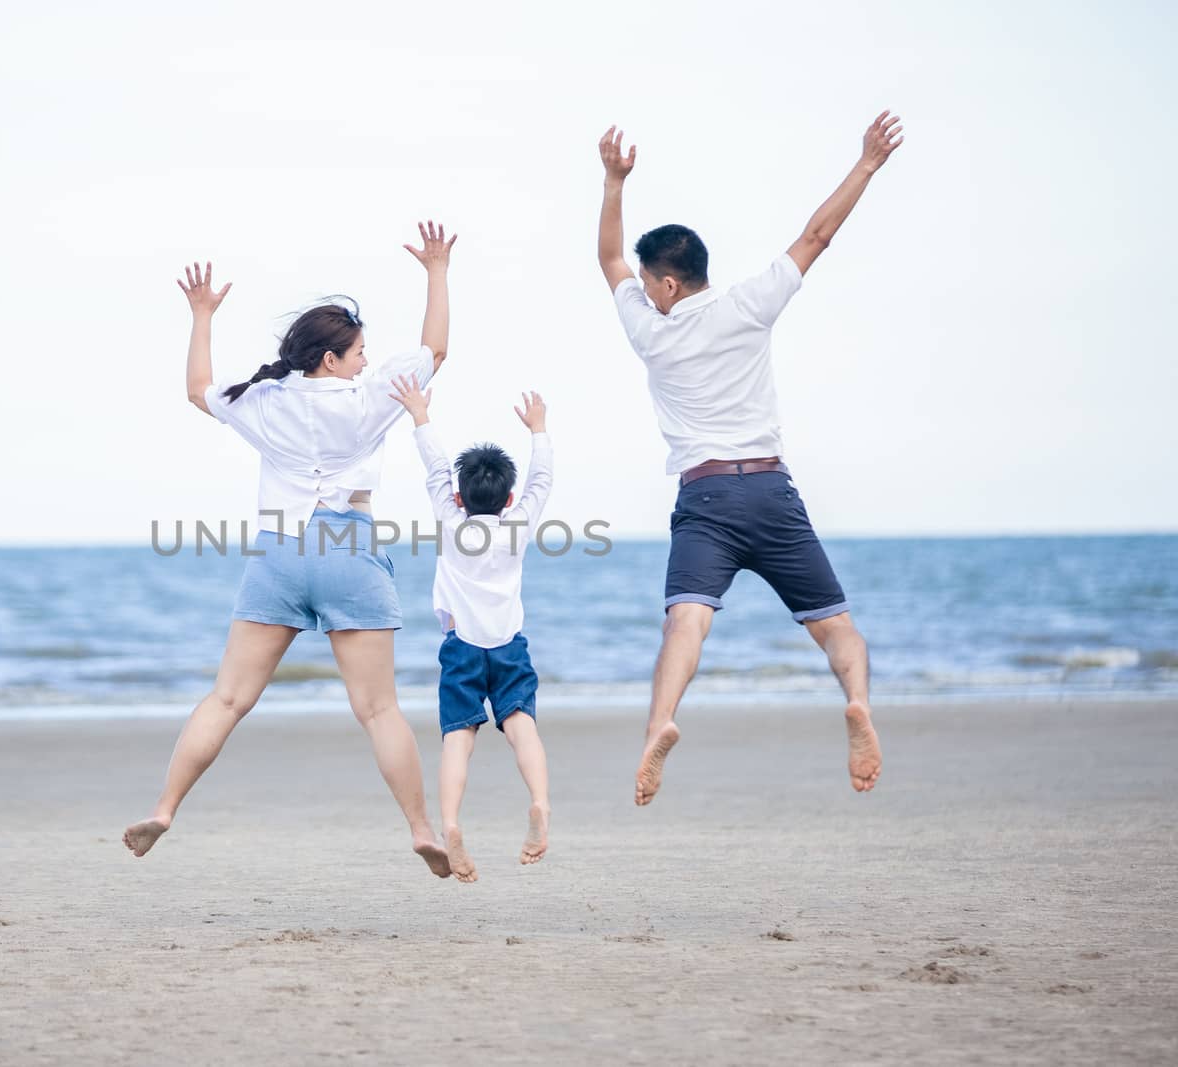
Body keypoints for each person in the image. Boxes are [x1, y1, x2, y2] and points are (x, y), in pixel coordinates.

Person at [122, 222, 460, 878]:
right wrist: (438, 269)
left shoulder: (265, 397)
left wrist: (199, 315)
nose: (366, 360)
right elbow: (436, 349)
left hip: (278, 551)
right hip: (348, 545)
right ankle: (421, 828)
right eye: (359, 350)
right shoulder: (368, 396)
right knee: (379, 708)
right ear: (331, 359)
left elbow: (198, 389)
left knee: (226, 699)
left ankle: (164, 807)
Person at [595, 112, 903, 806]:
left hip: (705, 501)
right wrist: (866, 165)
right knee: (837, 628)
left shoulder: (652, 332)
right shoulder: (749, 305)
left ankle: (660, 723)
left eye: (649, 283)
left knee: (686, 620)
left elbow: (609, 258)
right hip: (769, 489)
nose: (642, 290)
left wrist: (613, 183)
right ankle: (857, 703)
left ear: (668, 286)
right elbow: (816, 235)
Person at [388, 373, 554, 883]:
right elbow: (541, 482)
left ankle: (453, 824)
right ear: (508, 500)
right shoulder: (517, 526)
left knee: (458, 738)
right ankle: (540, 804)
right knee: (521, 724)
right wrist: (539, 431)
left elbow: (437, 468)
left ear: (459, 499)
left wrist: (419, 413)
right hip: (509, 647)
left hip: (460, 648)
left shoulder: (451, 521)